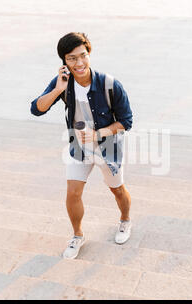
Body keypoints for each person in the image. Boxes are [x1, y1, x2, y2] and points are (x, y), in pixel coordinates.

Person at [30, 32, 134, 259]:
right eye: (72, 58)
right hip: (78, 148)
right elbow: (36, 109)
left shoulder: (110, 84)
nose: (79, 63)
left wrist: (98, 134)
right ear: (64, 62)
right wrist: (57, 89)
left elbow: (126, 122)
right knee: (73, 194)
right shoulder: (63, 83)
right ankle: (78, 235)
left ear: (89, 54)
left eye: (83, 56)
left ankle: (125, 221)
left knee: (117, 190)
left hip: (107, 148)